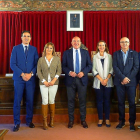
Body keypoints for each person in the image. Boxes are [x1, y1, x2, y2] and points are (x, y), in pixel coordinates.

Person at [10, 30, 39, 132]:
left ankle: (29, 121)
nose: (26, 38)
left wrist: (30, 74)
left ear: (30, 38)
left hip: (30, 80)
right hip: (19, 79)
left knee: (30, 101)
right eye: (24, 36)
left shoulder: (34, 49)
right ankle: (16, 123)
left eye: (28, 36)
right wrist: (22, 74)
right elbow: (12, 64)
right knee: (17, 101)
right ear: (21, 38)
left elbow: (37, 65)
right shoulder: (15, 48)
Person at [62, 36, 92, 129]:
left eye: (78, 41)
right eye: (74, 41)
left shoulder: (85, 52)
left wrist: (83, 72)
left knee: (82, 101)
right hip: (70, 79)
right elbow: (63, 66)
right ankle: (71, 120)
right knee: (70, 101)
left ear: (80, 42)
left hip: (82, 80)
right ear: (71, 43)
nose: (76, 42)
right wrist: (69, 72)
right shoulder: (66, 53)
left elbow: (89, 65)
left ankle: (83, 120)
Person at [113, 37, 139, 131]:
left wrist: (127, 78)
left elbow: (136, 67)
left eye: (126, 42)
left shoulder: (134, 53)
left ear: (129, 43)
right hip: (119, 82)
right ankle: (121, 121)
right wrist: (122, 78)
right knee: (121, 102)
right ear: (120, 43)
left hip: (131, 82)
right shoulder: (116, 54)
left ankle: (132, 123)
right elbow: (115, 67)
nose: (124, 44)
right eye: (123, 42)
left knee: (132, 103)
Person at [37, 42, 61, 130]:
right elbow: (38, 72)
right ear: (45, 49)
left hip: (54, 83)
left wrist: (54, 80)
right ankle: (44, 121)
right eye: (47, 48)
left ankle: (52, 120)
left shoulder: (57, 59)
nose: (49, 50)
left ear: (53, 49)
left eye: (50, 48)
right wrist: (44, 81)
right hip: (43, 83)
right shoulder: (41, 60)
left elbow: (59, 71)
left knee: (52, 100)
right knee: (45, 100)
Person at [92, 40, 113, 127]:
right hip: (98, 82)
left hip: (108, 82)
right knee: (99, 101)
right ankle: (100, 118)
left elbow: (112, 69)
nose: (101, 47)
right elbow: (93, 70)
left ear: (105, 47)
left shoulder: (109, 56)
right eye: (100, 45)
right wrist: (101, 80)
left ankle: (107, 119)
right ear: (97, 47)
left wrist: (106, 79)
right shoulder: (95, 57)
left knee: (107, 101)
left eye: (103, 45)